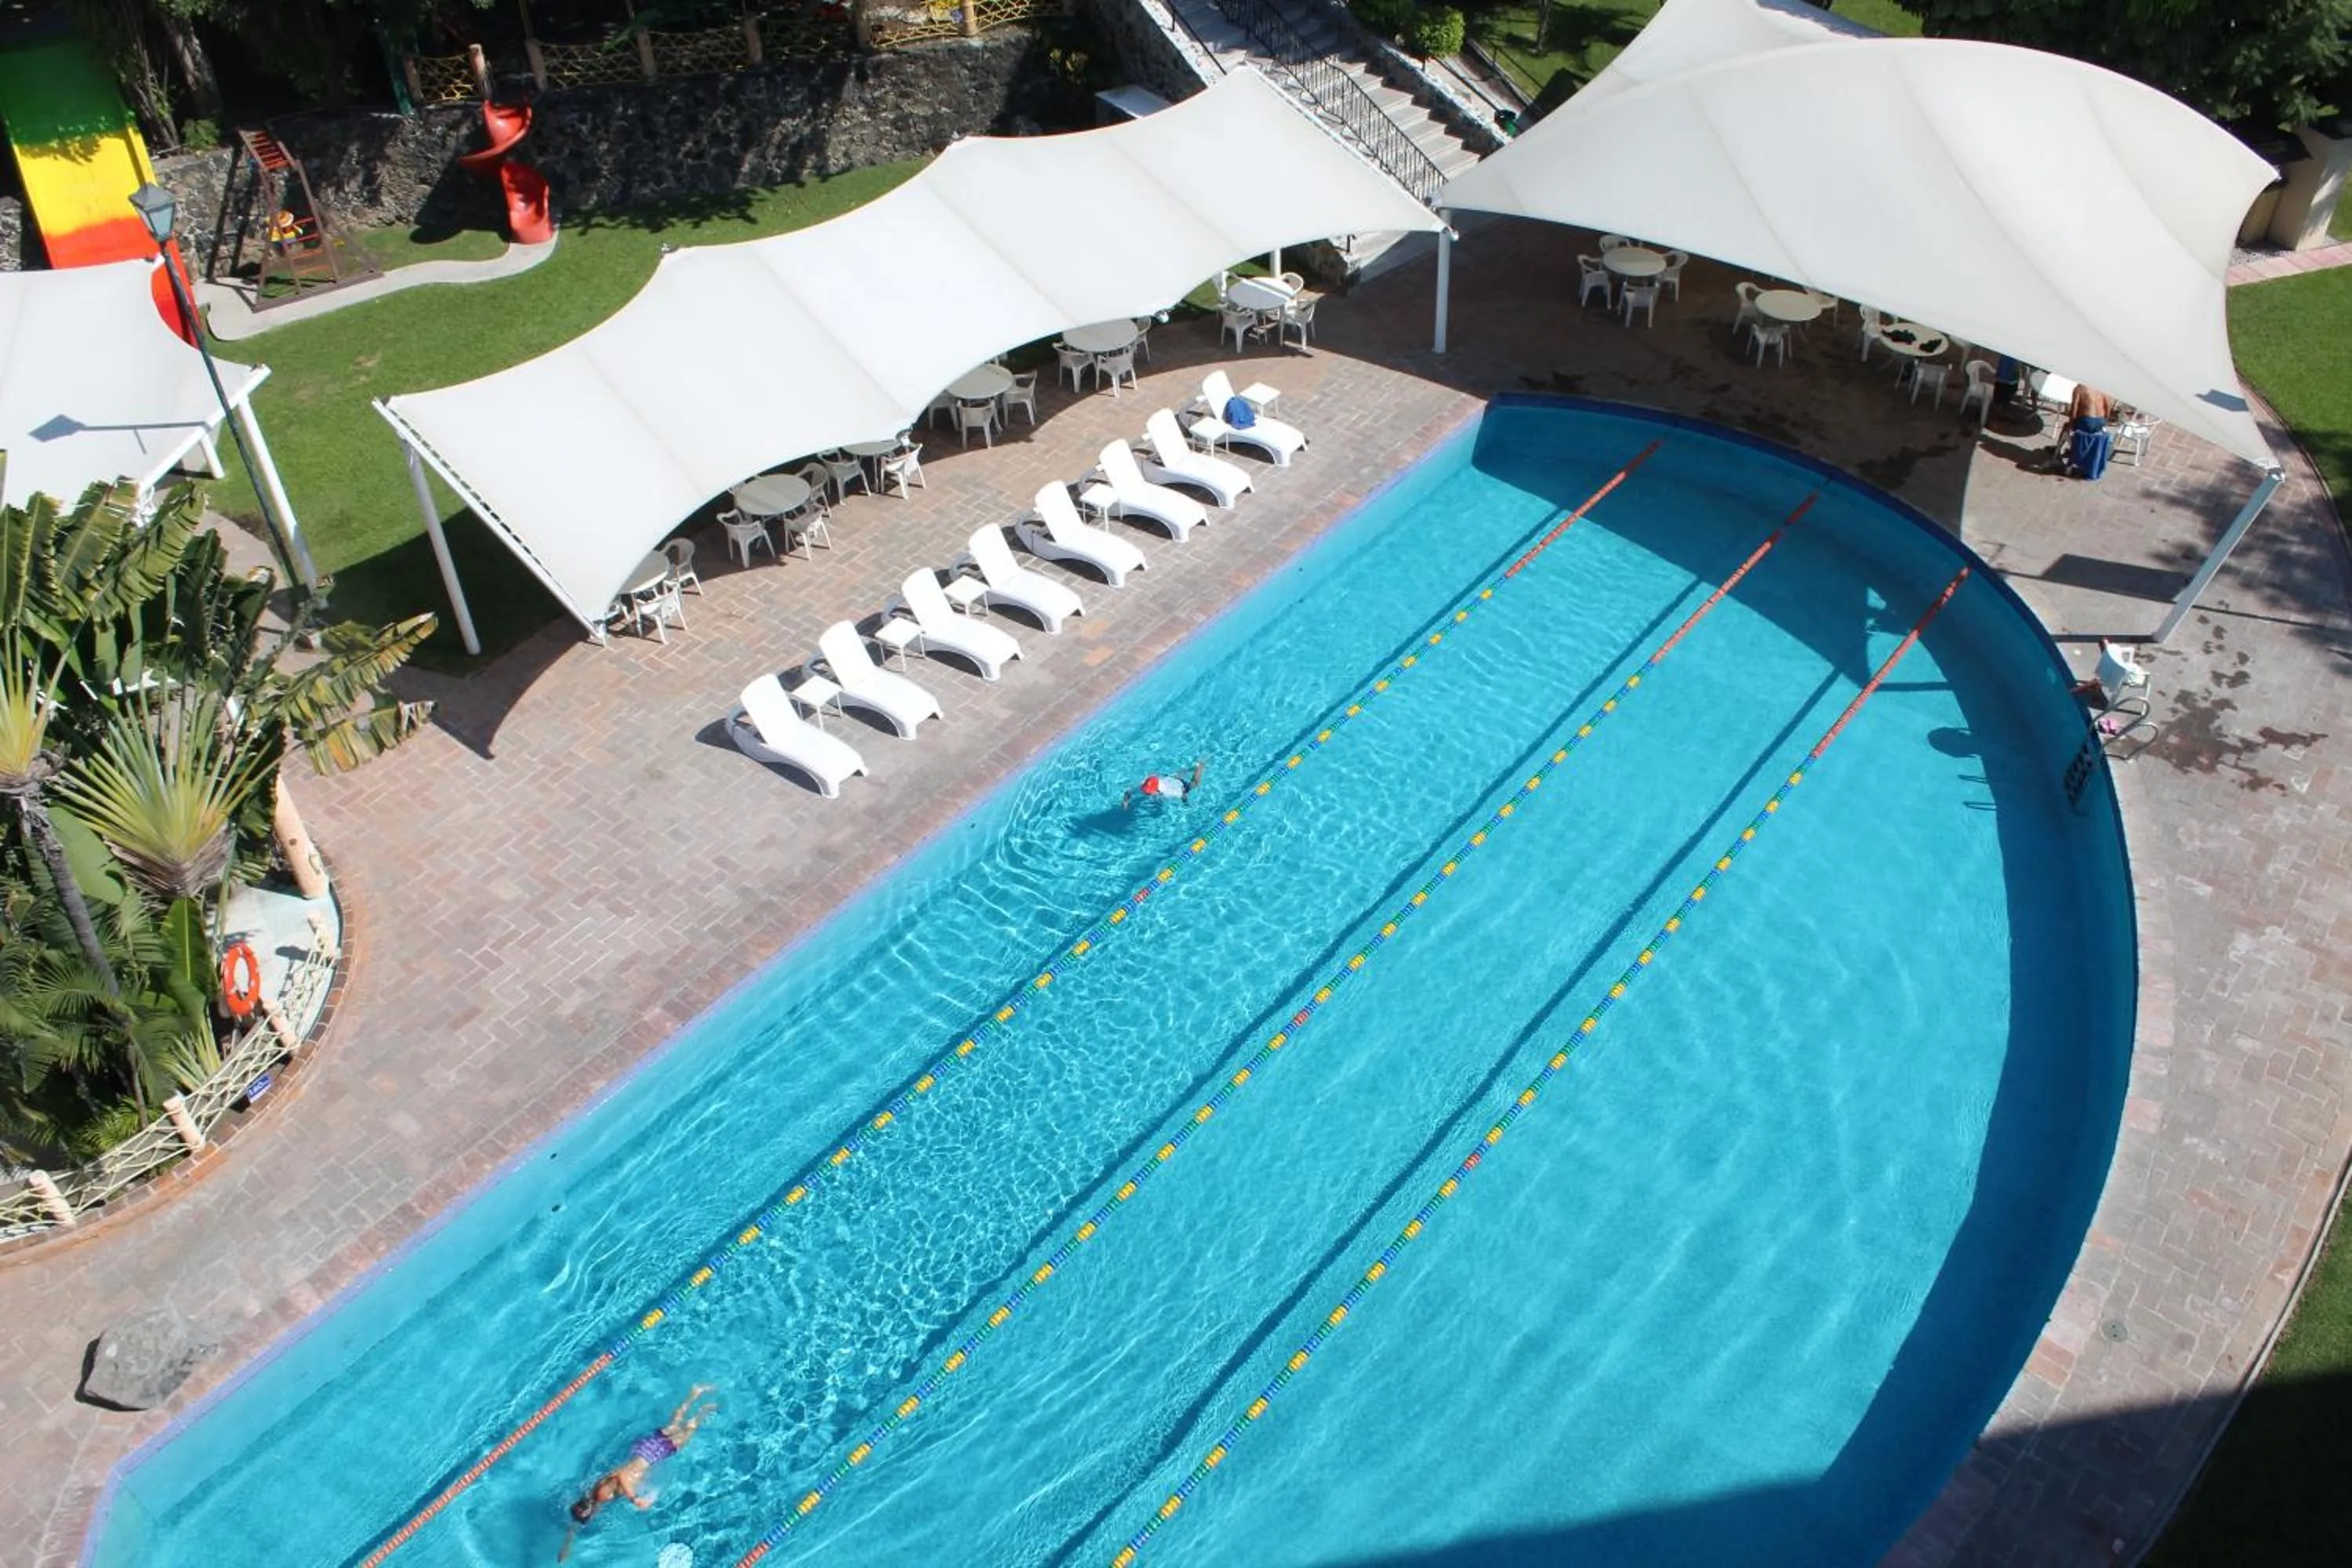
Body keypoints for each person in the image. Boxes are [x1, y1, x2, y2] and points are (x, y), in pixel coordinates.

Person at [558, 1385, 717, 1560]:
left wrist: (634, 1498)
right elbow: (578, 1521)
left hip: (651, 1454)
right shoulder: (593, 1495)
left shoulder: (601, 1496)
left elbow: (622, 1475)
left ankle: (704, 1410)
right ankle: (693, 1393)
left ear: (591, 1512)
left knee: (688, 1432)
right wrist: (567, 1545)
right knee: (674, 1423)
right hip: (644, 1450)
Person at [1123, 757, 1205, 811]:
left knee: (1194, 784)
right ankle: (1191, 768)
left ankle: (1200, 767)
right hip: (1169, 779)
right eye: (1146, 791)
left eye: (1148, 792)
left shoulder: (1169, 792)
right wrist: (1125, 802)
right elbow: (1128, 793)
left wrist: (1186, 804)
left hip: (1180, 785)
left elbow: (1183, 795)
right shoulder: (1144, 786)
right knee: (1175, 776)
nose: (1145, 793)